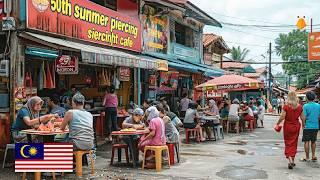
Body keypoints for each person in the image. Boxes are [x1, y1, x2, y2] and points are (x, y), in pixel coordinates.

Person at [275, 91, 303, 169]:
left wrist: (277, 123)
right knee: (294, 143)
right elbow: (303, 118)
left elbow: (282, 117)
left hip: (287, 126)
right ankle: (293, 160)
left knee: (288, 143)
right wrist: (304, 126)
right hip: (296, 126)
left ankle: (290, 160)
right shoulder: (300, 107)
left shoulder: (286, 106)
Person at [300, 91, 319, 162]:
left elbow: (303, 117)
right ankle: (313, 155)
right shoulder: (318, 106)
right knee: (313, 141)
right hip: (315, 126)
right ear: (314, 97)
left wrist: (303, 125)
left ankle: (307, 157)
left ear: (307, 98)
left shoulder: (305, 106)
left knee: (306, 141)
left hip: (307, 126)